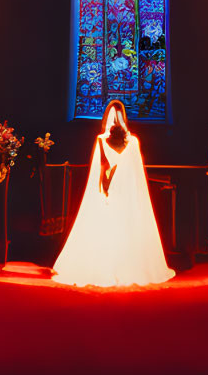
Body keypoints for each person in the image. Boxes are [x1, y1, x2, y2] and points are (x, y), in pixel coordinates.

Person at [51, 99, 174, 288]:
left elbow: (135, 173)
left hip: (124, 194)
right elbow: (99, 170)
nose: (114, 121)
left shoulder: (132, 142)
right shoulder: (104, 141)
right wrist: (103, 189)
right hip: (110, 194)